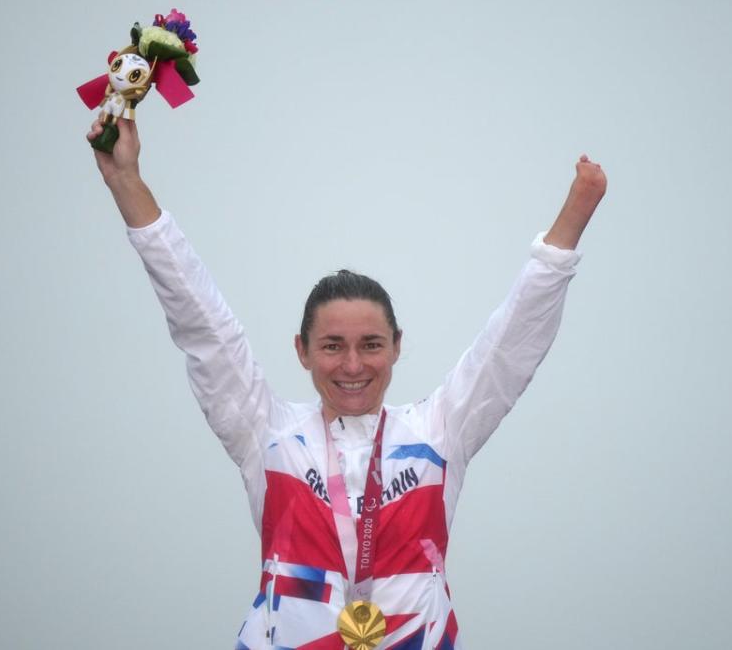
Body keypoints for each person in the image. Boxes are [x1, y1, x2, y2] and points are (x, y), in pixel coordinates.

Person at [88, 117, 606, 649]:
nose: (353, 365)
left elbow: (510, 347)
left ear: (397, 347)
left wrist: (570, 225)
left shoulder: (439, 430)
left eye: (371, 345)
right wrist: (127, 182)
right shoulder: (265, 433)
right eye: (333, 346)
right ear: (303, 351)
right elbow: (200, 320)